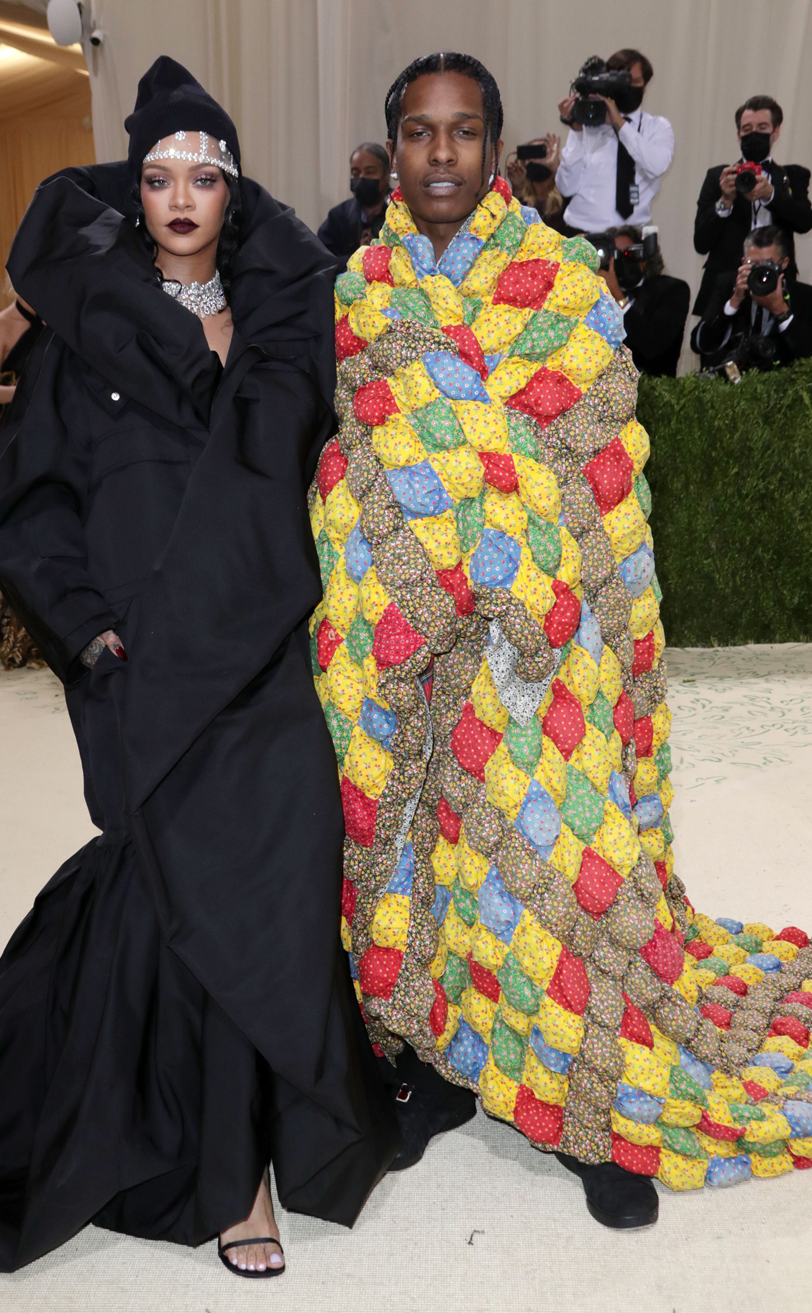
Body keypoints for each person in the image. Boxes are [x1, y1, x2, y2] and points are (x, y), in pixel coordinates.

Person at [0, 58, 398, 1278]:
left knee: (277, 898)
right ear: (133, 193)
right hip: (150, 672)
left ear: (236, 195)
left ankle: (268, 1136)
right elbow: (20, 509)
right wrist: (86, 629)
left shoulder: (296, 324)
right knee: (194, 911)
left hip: (267, 660)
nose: (182, 194)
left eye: (206, 174)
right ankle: (235, 1181)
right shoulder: (84, 338)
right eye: (159, 175)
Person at [318, 50, 812, 1233]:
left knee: (566, 856)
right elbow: (361, 459)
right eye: (421, 132)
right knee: (433, 854)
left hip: (550, 634)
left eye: (464, 131)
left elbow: (595, 438)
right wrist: (439, 570)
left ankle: (596, 1105)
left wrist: (520, 577)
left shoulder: (559, 275)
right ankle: (444, 1060)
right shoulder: (363, 286)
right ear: (394, 147)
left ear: (495, 147)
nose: (442, 153)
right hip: (414, 641)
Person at [0, 294, 47, 669]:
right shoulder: (0, 325)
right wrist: (24, 394)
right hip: (17, 440)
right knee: (23, 536)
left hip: (61, 436)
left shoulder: (63, 316)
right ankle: (23, 638)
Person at [692, 95, 812, 315]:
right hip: (725, 287)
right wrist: (724, 202)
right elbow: (701, 242)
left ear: (776, 132)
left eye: (762, 127)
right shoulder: (718, 177)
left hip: (777, 286)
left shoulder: (792, 176)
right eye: (747, 129)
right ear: (738, 135)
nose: (754, 133)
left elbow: (804, 222)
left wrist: (771, 195)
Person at [556, 49, 674, 234]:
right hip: (582, 235)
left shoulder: (657, 127)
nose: (627, 89)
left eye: (634, 82)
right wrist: (576, 130)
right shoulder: (587, 126)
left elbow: (657, 165)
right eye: (622, 83)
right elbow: (565, 187)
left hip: (630, 238)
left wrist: (620, 124)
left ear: (645, 86)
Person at [691, 223, 812, 371]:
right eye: (752, 264)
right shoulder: (728, 284)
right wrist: (734, 302)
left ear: (784, 263)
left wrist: (780, 310)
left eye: (768, 264)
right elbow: (699, 344)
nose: (760, 271)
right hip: (731, 383)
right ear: (743, 262)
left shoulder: (803, 294)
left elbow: (807, 356)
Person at [598, 226, 690, 376]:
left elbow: (651, 346)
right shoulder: (597, 296)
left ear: (643, 260)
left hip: (652, 390)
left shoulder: (672, 290)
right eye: (615, 257)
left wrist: (618, 297)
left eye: (628, 254)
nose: (621, 262)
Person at [317, 142, 392, 266]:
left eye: (369, 172)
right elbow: (321, 261)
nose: (362, 178)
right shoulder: (338, 217)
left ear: (386, 174)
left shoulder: (403, 211)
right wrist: (358, 255)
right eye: (355, 173)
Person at [506, 135, 566, 234]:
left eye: (542, 154)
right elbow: (513, 229)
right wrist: (518, 188)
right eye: (532, 153)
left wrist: (556, 169)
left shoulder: (566, 195)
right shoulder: (521, 199)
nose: (537, 160)